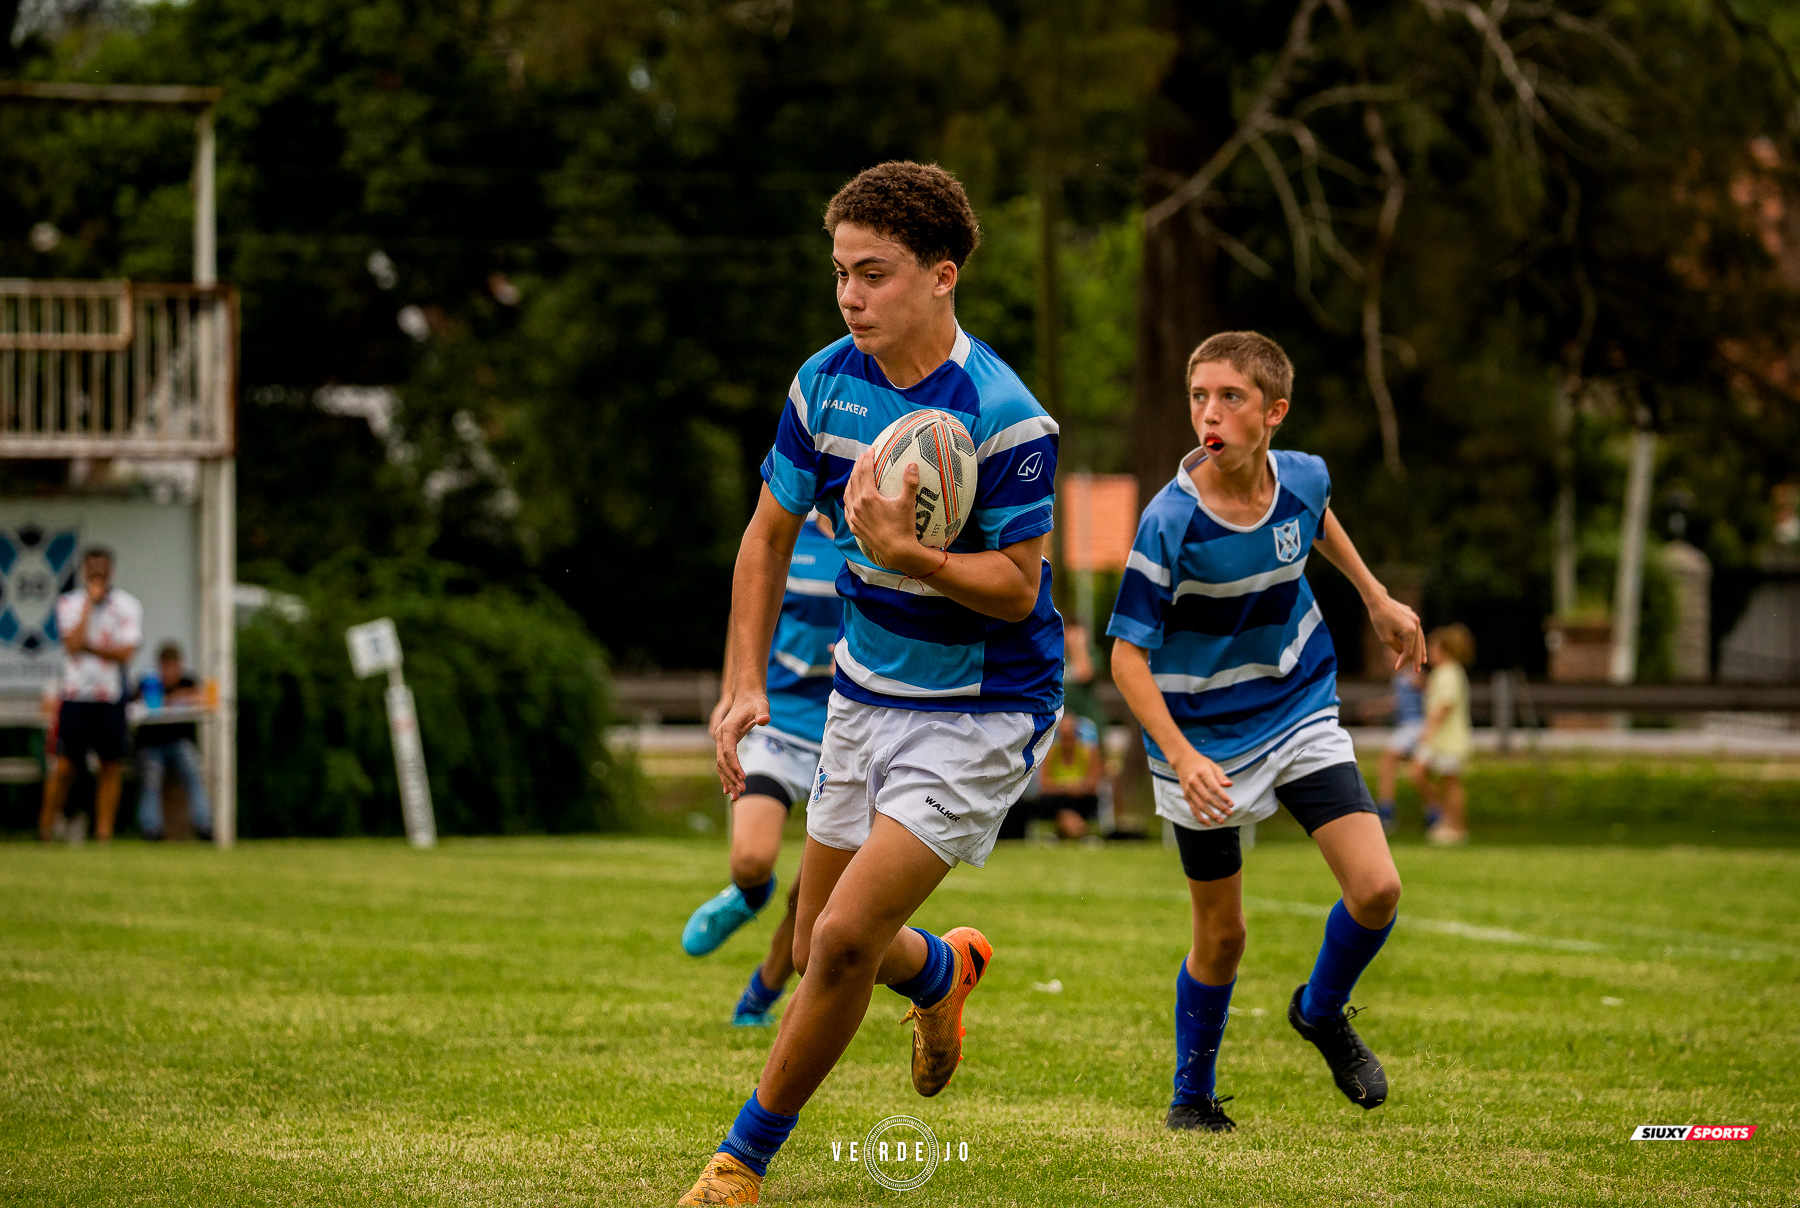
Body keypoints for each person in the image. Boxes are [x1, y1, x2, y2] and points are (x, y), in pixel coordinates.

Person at [680, 161, 1062, 1207]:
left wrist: (913, 556)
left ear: (942, 275)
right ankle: (940, 971)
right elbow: (765, 538)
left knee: (841, 940)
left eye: (874, 273)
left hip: (982, 707)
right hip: (863, 688)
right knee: (818, 934)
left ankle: (739, 1162)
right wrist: (741, 685)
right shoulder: (822, 384)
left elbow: (1018, 590)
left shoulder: (1006, 415)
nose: (850, 295)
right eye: (842, 272)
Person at [1108, 331, 1424, 1135]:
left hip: (1296, 704)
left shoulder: (1304, 476)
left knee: (1378, 889)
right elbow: (1125, 660)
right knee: (1222, 936)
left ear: (1274, 412)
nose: (1209, 414)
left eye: (1230, 397)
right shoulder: (1171, 520)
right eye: (1199, 397)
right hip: (1202, 739)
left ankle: (1320, 1012)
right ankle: (1192, 1098)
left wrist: (1376, 597)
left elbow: (1314, 520)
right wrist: (1183, 756)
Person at [682, 512, 844, 1028]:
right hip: (777, 721)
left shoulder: (884, 535)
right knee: (752, 859)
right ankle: (749, 893)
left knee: (814, 900)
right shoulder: (790, 530)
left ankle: (760, 996)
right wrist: (733, 691)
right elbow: (747, 607)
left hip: (849, 732)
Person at [37, 546, 141, 844]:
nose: (98, 575)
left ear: (111, 571)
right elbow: (72, 645)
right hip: (76, 694)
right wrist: (89, 607)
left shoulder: (128, 605)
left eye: (102, 569)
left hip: (110, 696)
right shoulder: (69, 603)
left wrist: (90, 648)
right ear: (84, 571)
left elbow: (126, 653)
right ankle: (45, 830)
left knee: (111, 765)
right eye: (92, 569)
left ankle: (103, 834)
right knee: (65, 765)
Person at [133, 642, 213, 842]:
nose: (168, 672)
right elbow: (135, 702)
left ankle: (204, 825)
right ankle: (151, 829)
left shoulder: (187, 681)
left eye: (172, 666)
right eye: (165, 666)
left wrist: (175, 698)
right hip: (151, 745)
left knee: (192, 769)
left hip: (178, 743)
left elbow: (202, 697)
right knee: (151, 777)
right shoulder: (148, 682)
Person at [1415, 624, 1474, 845]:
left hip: (1449, 739)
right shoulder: (1443, 673)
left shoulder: (1450, 672)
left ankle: (1456, 827)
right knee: (1420, 773)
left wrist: (1428, 729)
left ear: (1445, 650)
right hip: (1440, 739)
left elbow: (1446, 705)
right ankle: (1444, 818)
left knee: (1451, 782)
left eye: (1433, 647)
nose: (1430, 652)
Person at [1364, 666, 1427, 833]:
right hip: (1406, 728)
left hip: (1416, 727)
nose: (1387, 659)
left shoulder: (1415, 671)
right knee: (1415, 772)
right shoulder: (1399, 677)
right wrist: (1375, 708)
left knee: (1388, 761)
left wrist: (1422, 684)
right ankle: (1433, 812)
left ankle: (1386, 813)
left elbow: (1432, 692)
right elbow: (1397, 701)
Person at [1033, 713, 1103, 840]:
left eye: (1070, 736)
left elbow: (1093, 783)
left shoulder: (1088, 752)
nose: (1067, 741)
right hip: (1058, 799)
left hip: (1081, 798)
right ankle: (1077, 828)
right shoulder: (1051, 752)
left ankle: (1067, 827)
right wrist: (1067, 787)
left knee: (1090, 800)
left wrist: (1076, 788)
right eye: (1064, 736)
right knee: (1049, 801)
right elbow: (1044, 784)